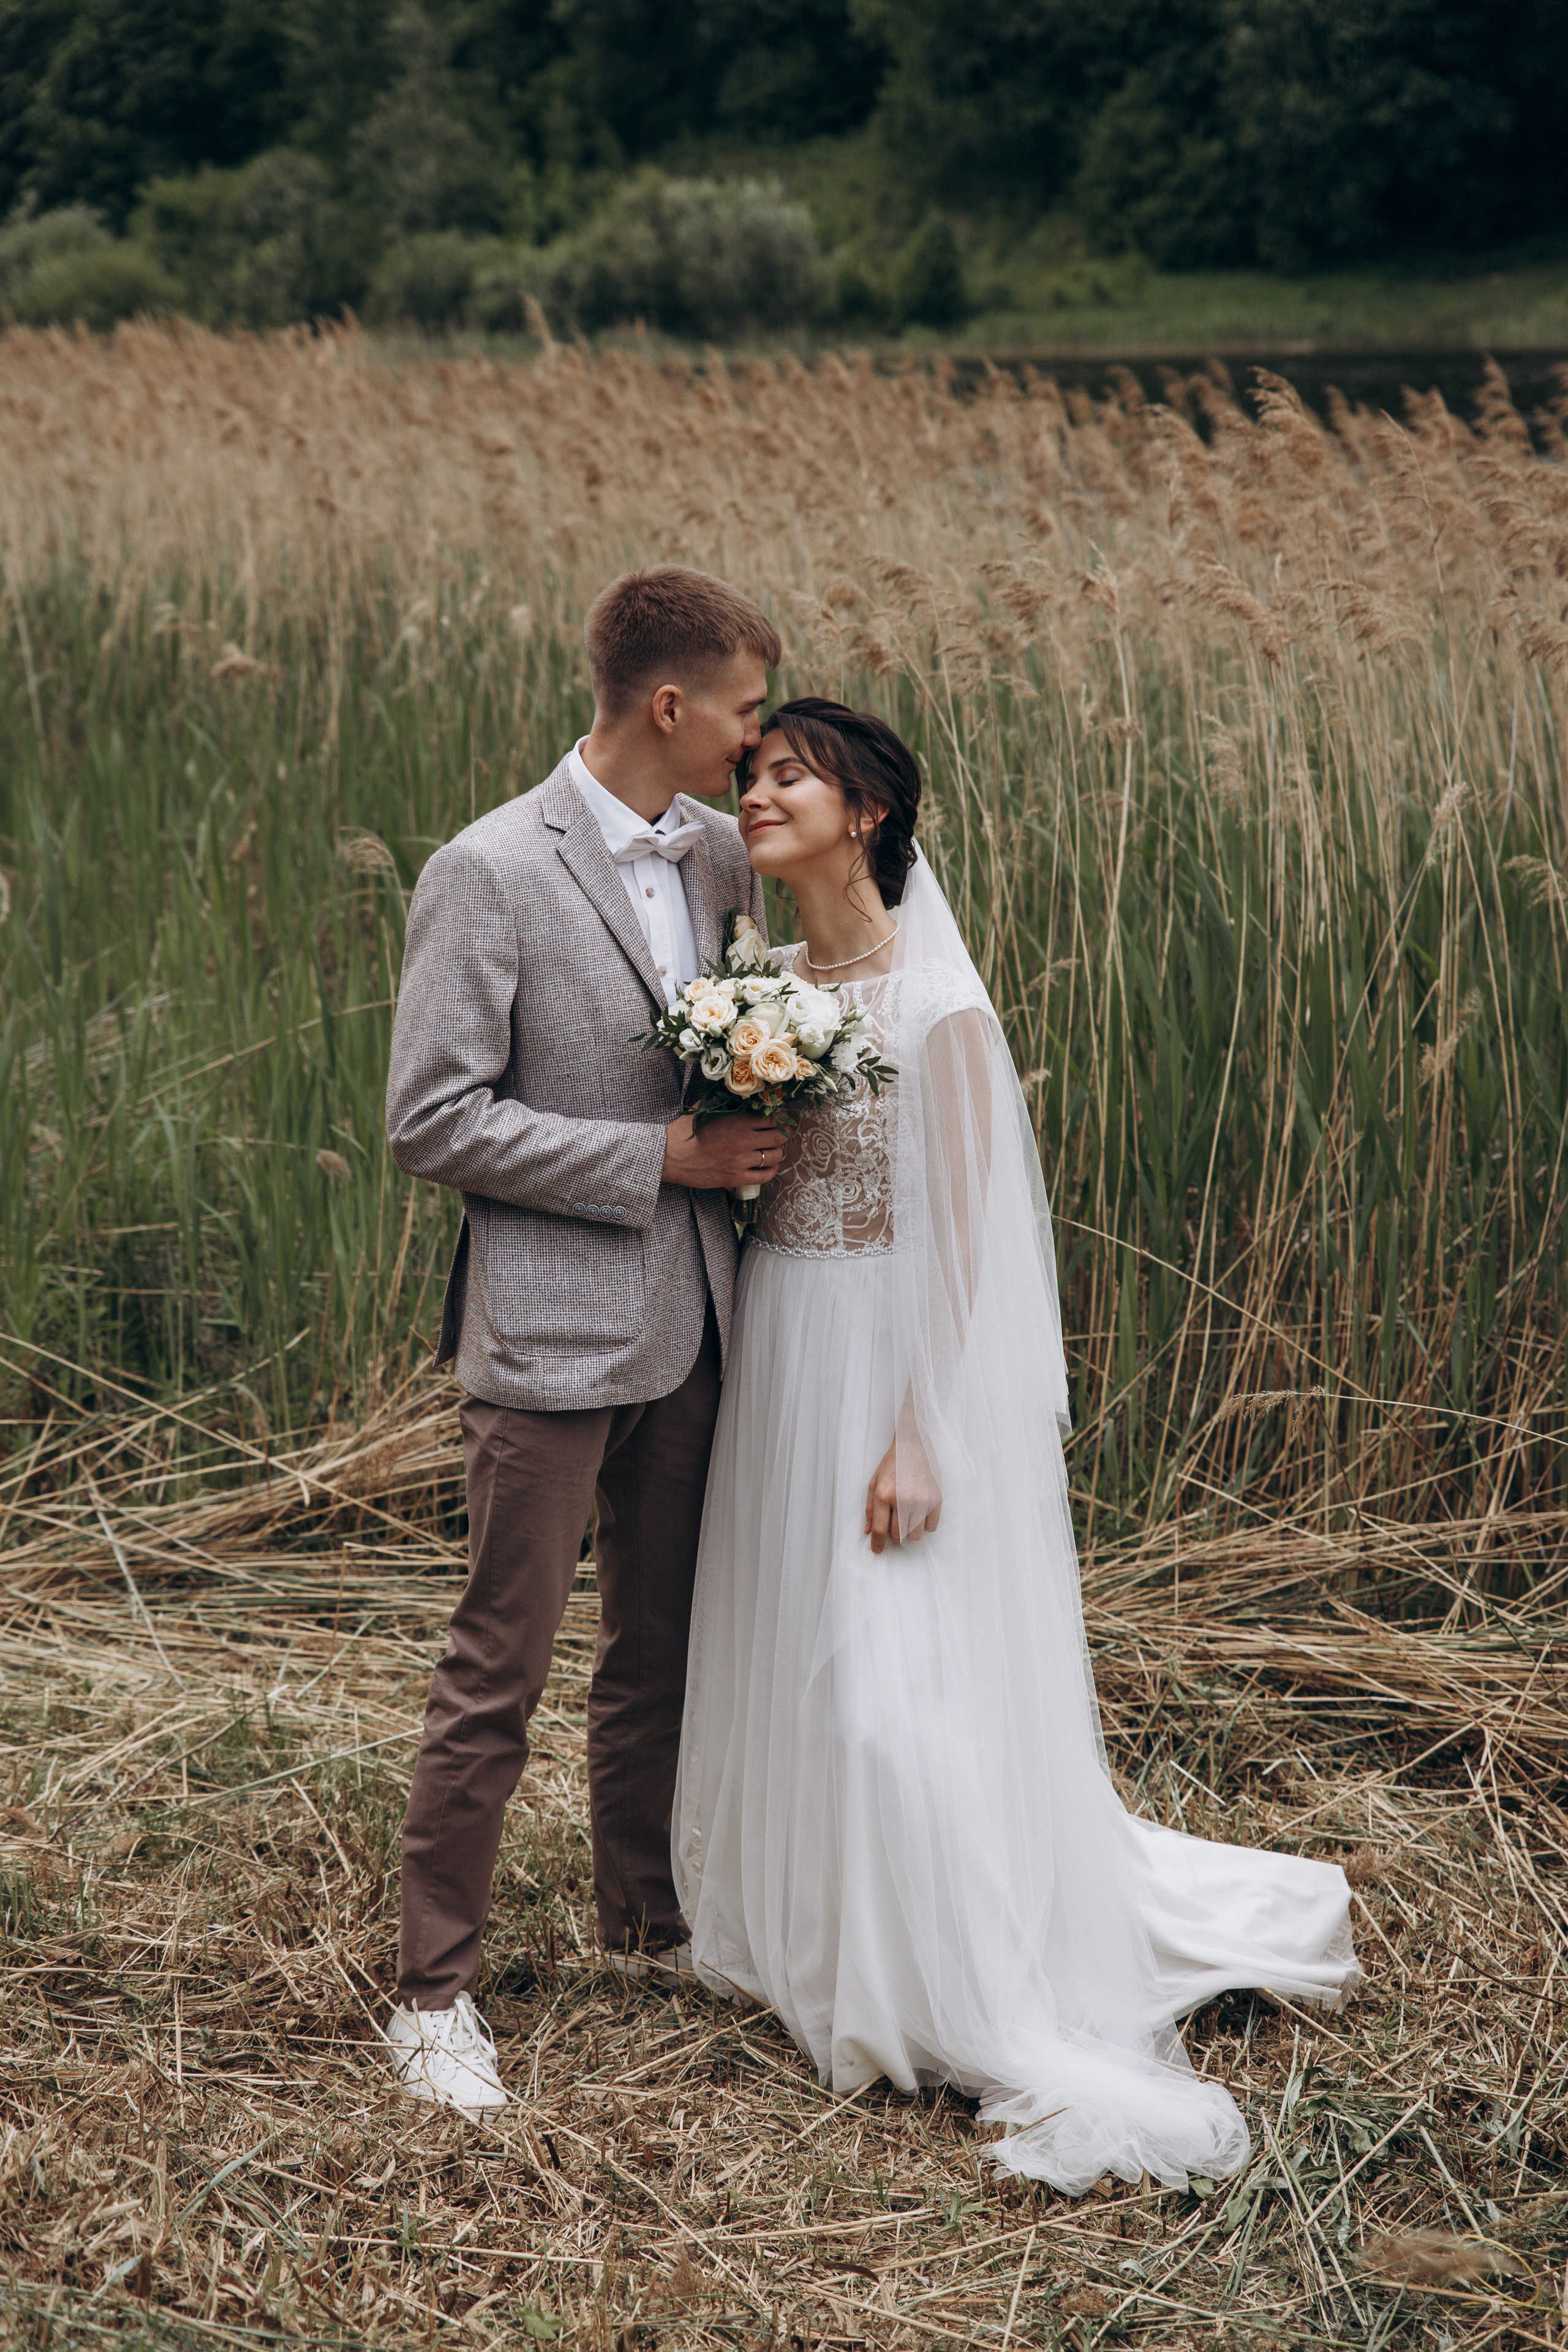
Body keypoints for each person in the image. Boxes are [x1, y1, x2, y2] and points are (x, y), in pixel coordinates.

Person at [673, 699, 1359, 2193]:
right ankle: (812, 1931)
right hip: (785, 1337)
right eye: (751, 773)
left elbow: (971, 1243)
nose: (758, 793)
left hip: (891, 1363)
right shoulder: (758, 983)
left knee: (882, 1688)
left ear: (864, 810)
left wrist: (923, 1432)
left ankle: (946, 1970)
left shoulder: (939, 1008)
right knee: (792, 1638)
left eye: (789, 773)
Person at [380, 566, 791, 2119]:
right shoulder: (485, 870)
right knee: (500, 1665)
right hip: (550, 1338)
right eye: (746, 712)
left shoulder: (713, 859)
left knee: (660, 1651)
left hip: (697, 1326)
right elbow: (431, 1118)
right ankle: (433, 1995)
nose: (759, 745)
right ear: (670, 706)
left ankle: (645, 1922)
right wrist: (655, 1165)